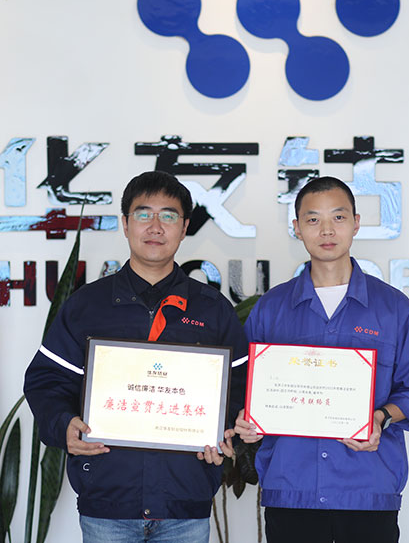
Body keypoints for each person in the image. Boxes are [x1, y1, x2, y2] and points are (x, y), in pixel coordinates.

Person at [24, 171, 248, 543]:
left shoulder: (213, 309)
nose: (155, 226)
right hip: (107, 504)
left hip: (185, 505)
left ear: (185, 227)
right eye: (144, 214)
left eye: (168, 215)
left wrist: (225, 434)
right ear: (126, 224)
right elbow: (46, 380)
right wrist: (63, 424)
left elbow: (240, 388)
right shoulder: (87, 305)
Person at [234, 176, 409, 543]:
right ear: (297, 228)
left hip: (367, 489)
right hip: (291, 489)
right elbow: (244, 386)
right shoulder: (271, 308)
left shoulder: (393, 308)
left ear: (355, 223)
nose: (326, 230)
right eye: (313, 219)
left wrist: (381, 417)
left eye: (338, 217)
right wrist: (246, 418)